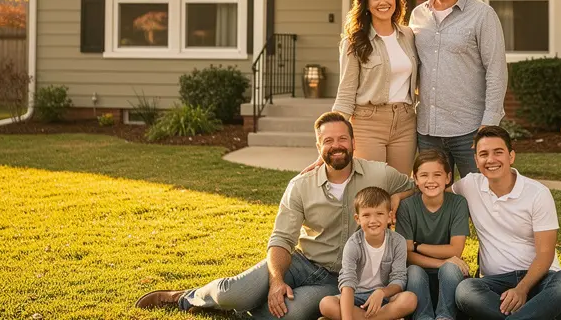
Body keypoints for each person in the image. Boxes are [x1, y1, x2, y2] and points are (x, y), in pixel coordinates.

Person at [134, 112, 415, 319]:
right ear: (319, 148)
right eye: (328, 140)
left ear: (353, 143)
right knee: (235, 292)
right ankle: (186, 297)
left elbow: (417, 189)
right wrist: (278, 280)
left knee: (289, 315)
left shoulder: (379, 173)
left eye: (343, 138)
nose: (336, 145)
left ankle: (244, 312)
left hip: (339, 279)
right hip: (301, 263)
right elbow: (281, 239)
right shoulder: (301, 185)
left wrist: (397, 196)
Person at [452, 126, 561, 320]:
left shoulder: (538, 193)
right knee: (465, 290)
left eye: (498, 152)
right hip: (495, 284)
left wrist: (521, 289)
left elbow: (546, 254)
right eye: (484, 154)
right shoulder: (470, 185)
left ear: (511, 156)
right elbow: (432, 192)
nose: (491, 160)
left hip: (541, 281)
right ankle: (536, 314)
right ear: (476, 161)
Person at [409, 0, 507, 178]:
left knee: (482, 198)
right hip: (428, 131)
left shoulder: (482, 14)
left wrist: (489, 125)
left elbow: (496, 71)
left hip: (470, 130)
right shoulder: (417, 16)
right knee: (434, 199)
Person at [333, 0, 418, 175]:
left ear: (396, 0)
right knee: (372, 188)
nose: (383, 2)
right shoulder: (354, 42)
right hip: (367, 124)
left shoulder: (408, 35)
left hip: (405, 123)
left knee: (402, 186)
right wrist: (333, 135)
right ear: (366, 4)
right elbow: (346, 92)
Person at [319, 187, 418, 320]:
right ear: (357, 218)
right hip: (357, 296)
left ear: (389, 217)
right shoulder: (353, 244)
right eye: (366, 215)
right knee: (326, 304)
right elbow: (347, 283)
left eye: (379, 214)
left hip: (384, 298)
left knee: (409, 299)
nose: (373, 220)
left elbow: (398, 279)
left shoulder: (397, 241)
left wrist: (382, 292)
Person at [398, 149, 471, 320]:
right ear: (415, 179)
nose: (430, 181)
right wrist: (441, 262)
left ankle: (445, 316)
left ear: (448, 177)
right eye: (423, 175)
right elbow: (407, 255)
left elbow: (455, 251)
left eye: (437, 175)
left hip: (448, 275)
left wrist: (417, 246)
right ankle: (423, 317)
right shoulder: (406, 207)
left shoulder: (458, 203)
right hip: (418, 274)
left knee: (451, 268)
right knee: (414, 271)